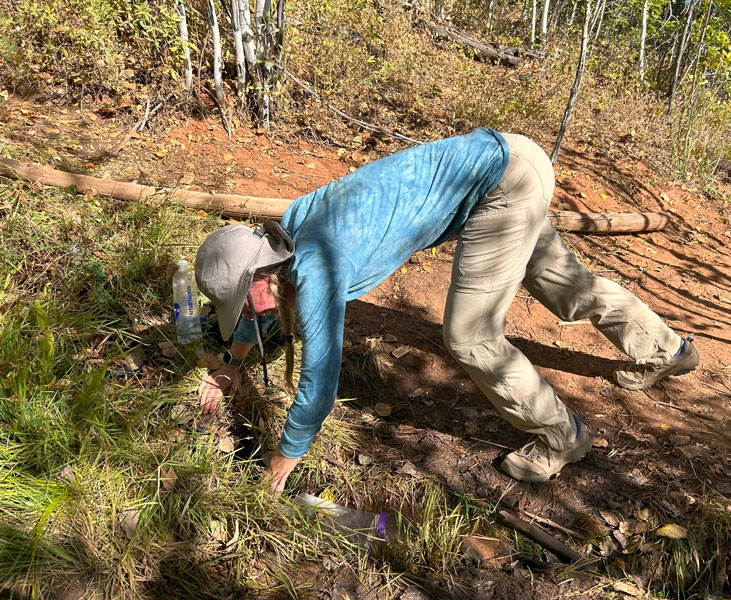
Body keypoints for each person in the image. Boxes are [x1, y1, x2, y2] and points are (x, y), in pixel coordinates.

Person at [195, 129, 699, 491]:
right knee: (563, 285)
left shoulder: (317, 267)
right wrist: (230, 368)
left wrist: (280, 466)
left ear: (263, 274)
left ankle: (563, 437)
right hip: (513, 156)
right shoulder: (287, 229)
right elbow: (261, 307)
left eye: (241, 299)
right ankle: (666, 349)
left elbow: (318, 383)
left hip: (501, 187)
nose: (248, 312)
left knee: (469, 336)